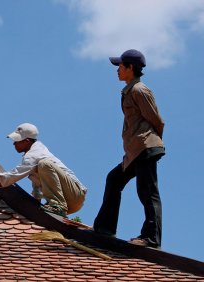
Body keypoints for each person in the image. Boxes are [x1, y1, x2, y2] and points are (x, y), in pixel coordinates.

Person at [93, 49, 165, 248]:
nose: (117, 70)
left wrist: (152, 143)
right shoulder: (129, 90)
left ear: (130, 68)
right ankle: (105, 229)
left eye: (120, 66)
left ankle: (151, 239)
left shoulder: (139, 90)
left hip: (145, 148)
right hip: (134, 151)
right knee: (114, 179)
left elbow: (157, 121)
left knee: (147, 192)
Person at [0, 123, 87, 217]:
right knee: (41, 167)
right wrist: (35, 207)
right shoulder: (34, 155)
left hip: (75, 194)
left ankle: (57, 206)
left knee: (44, 164)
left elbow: (11, 177)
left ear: (27, 141)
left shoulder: (34, 155)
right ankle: (56, 207)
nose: (14, 144)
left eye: (17, 141)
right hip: (71, 202)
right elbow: (38, 186)